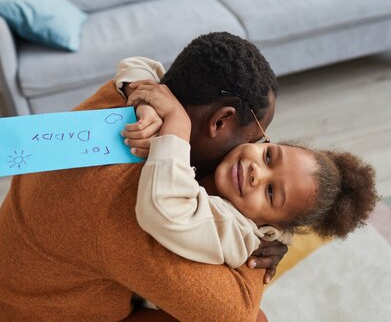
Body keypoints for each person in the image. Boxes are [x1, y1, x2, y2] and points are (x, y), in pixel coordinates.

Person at [0, 32, 285, 322]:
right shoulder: (132, 203)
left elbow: (137, 69)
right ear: (220, 121)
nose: (252, 153)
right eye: (256, 139)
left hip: (11, 310)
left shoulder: (128, 98)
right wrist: (259, 234)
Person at [125, 80, 378, 269]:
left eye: (270, 192)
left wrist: (176, 121)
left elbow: (165, 209)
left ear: (268, 226)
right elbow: (135, 66)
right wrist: (146, 103)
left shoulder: (239, 235)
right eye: (268, 156)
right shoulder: (218, 156)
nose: (257, 172)